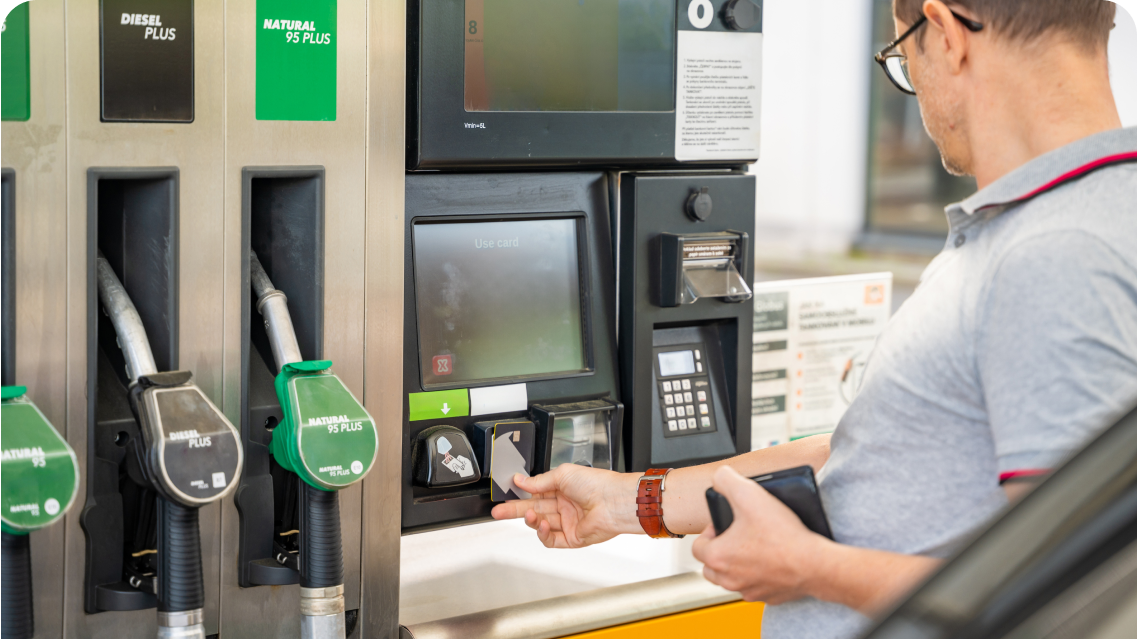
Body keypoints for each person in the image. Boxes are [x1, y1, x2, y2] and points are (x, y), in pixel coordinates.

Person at [492, 0, 1137, 637]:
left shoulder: (1054, 254)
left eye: (901, 61)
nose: (913, 94)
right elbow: (862, 452)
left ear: (944, 34)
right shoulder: (1081, 218)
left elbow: (1068, 584)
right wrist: (623, 502)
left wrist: (807, 568)